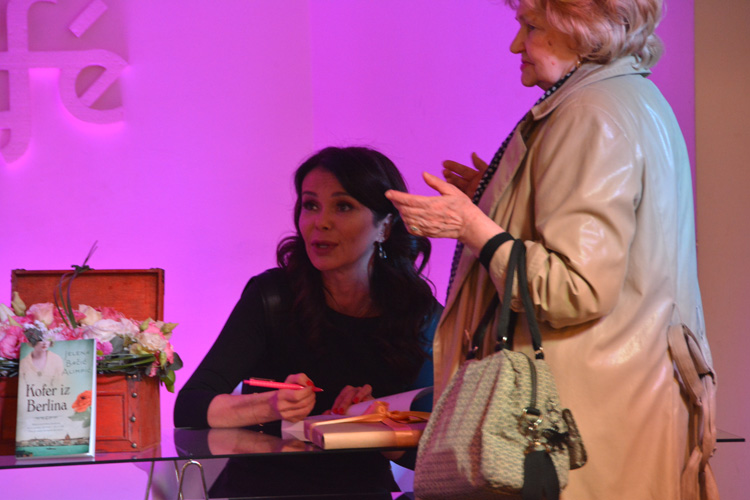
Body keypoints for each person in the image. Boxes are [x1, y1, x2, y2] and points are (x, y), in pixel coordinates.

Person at [386, 1, 713, 499]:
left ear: (581, 29)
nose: (516, 44)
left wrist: (472, 227)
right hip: (616, 416)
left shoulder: (590, 114)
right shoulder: (634, 98)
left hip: (575, 434)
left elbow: (575, 289)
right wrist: (506, 200)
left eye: (531, 26)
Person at [174, 146, 442, 498]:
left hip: (358, 491)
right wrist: (269, 406)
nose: (321, 222)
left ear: (386, 226)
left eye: (343, 206)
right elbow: (189, 407)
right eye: (310, 205)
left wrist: (376, 424)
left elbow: (435, 451)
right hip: (261, 490)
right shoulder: (271, 296)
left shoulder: (419, 315)